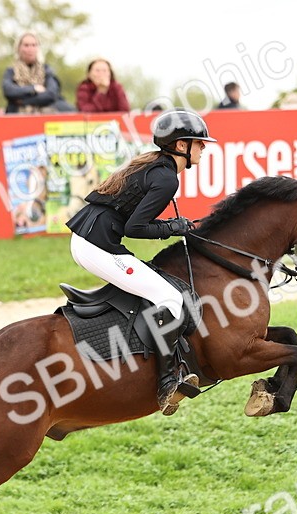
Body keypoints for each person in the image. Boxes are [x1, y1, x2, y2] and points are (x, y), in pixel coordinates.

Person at [65, 109, 215, 416]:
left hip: (91, 239)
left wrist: (173, 226)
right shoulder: (166, 178)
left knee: (153, 284)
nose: (204, 148)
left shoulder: (157, 166)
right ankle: (167, 381)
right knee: (169, 297)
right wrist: (174, 227)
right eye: (199, 143)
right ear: (181, 146)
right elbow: (135, 228)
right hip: (96, 245)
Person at [1, 32, 73, 114]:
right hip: (17, 115)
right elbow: (9, 91)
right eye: (26, 45)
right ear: (19, 48)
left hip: (44, 115)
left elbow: (51, 94)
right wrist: (34, 88)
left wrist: (23, 101)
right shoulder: (11, 71)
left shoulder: (46, 70)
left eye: (34, 45)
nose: (30, 49)